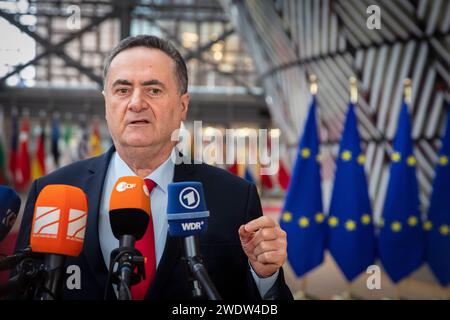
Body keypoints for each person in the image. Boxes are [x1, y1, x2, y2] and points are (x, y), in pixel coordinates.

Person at [14, 35, 293, 300]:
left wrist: (264, 276)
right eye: (122, 90)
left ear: (183, 106)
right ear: (107, 102)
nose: (136, 103)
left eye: (154, 90)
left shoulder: (234, 197)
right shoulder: (52, 193)